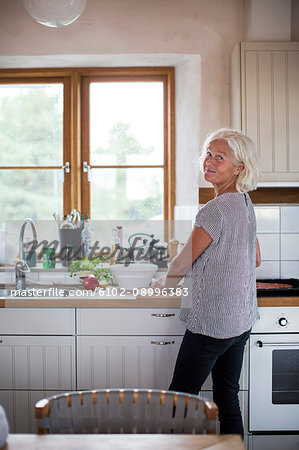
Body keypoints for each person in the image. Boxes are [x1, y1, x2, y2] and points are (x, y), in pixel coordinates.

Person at [156, 128, 261, 438]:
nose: (209, 161)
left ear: (239, 167)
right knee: (227, 399)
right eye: (208, 154)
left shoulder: (214, 210)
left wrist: (164, 285)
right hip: (240, 323)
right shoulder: (244, 202)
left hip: (212, 324)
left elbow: (182, 261)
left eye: (220, 157)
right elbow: (255, 257)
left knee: (179, 400)